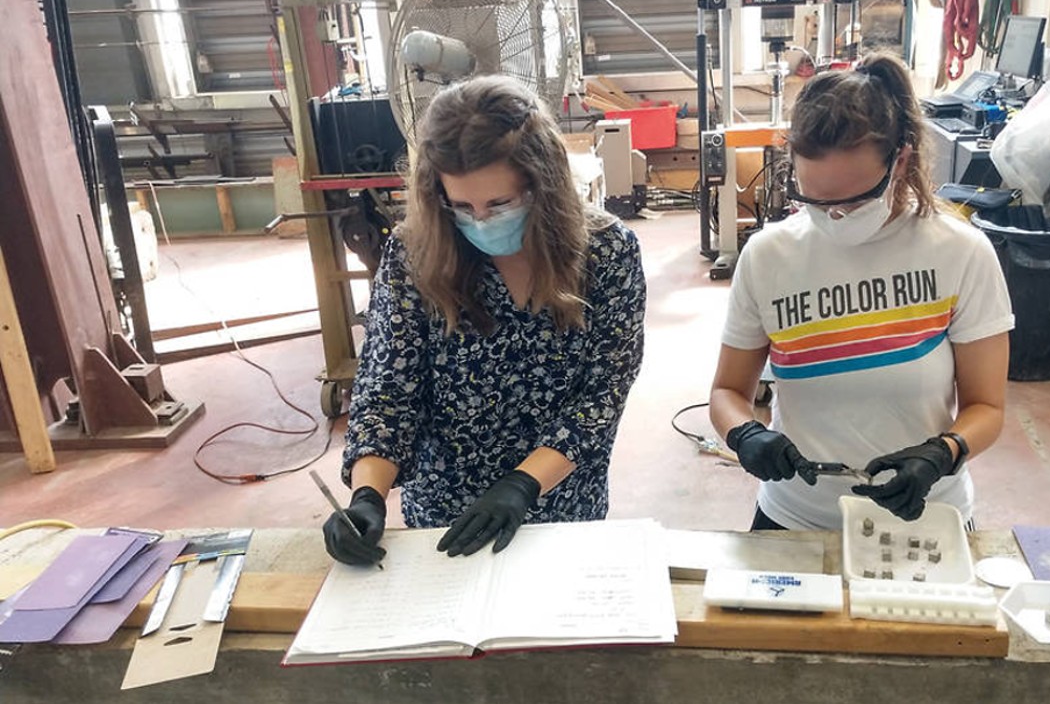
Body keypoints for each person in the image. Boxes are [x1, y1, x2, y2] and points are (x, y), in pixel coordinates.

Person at [323, 75, 646, 566]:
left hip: (560, 503)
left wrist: (522, 484)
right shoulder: (414, 255)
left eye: (499, 204)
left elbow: (603, 395)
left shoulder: (607, 252)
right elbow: (387, 389)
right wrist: (368, 494)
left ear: (543, 187)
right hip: (445, 515)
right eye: (461, 207)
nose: (480, 220)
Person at [709, 52, 1014, 531]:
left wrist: (943, 453)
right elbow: (728, 390)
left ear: (901, 160)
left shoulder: (960, 253)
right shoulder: (768, 257)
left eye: (854, 199)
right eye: (814, 198)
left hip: (923, 517)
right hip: (797, 519)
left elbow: (987, 407)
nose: (834, 215)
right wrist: (745, 433)